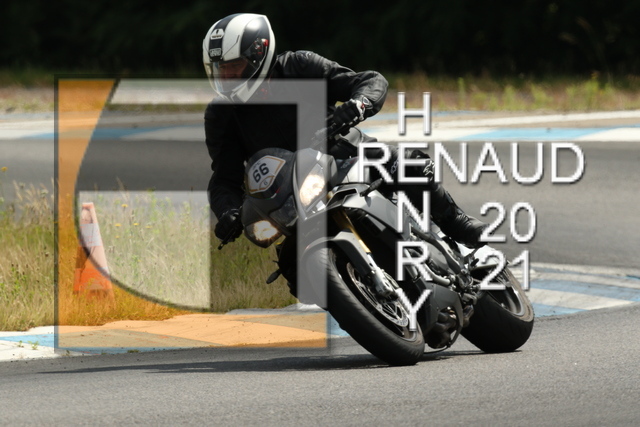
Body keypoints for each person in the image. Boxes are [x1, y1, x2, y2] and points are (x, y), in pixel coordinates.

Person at [202, 13, 486, 248]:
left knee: (408, 166)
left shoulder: (299, 66)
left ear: (258, 54)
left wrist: (359, 104)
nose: (227, 77)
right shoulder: (221, 114)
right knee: (290, 264)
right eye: (220, 70)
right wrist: (228, 211)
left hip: (346, 156)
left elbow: (369, 81)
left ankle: (455, 222)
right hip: (292, 196)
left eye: (234, 67)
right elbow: (224, 178)